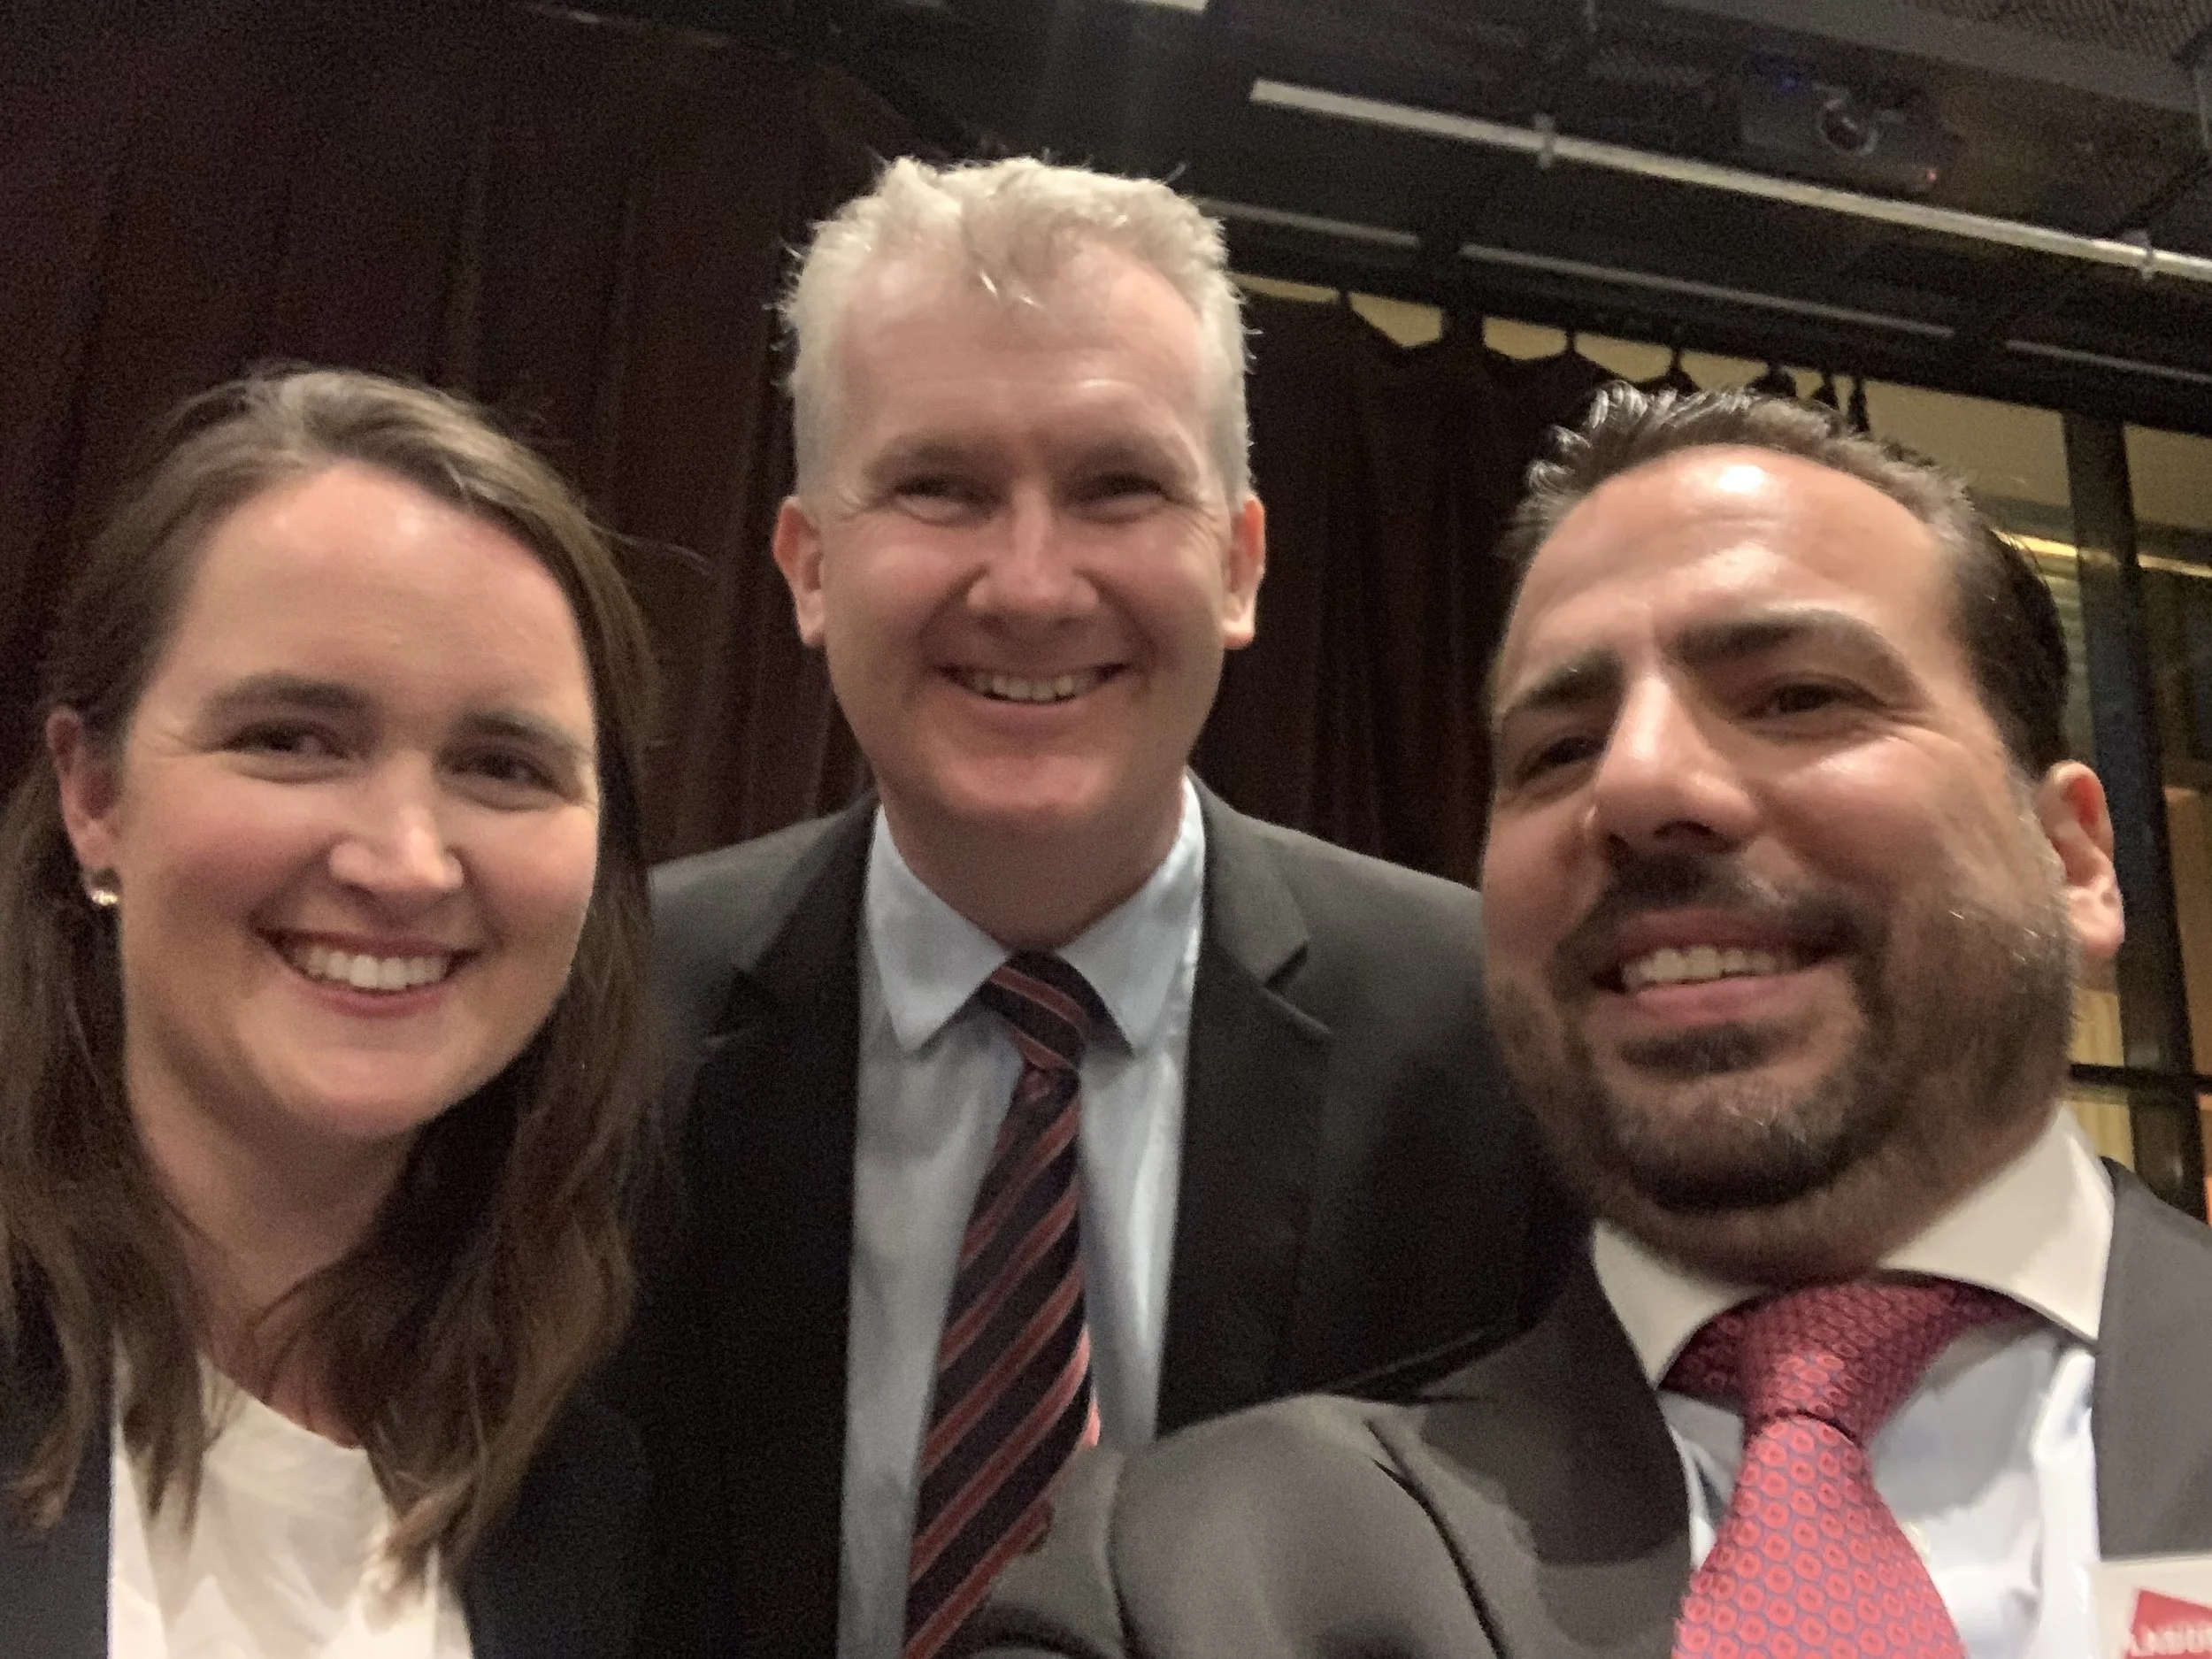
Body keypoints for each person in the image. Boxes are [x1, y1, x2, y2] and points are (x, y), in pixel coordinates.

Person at [965, 387, 2212, 1659]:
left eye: (1795, 696)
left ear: (2074, 862)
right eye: (1557, 749)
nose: (1639, 782)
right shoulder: (1183, 1585)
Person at [611, 157, 1571, 1659]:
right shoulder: (604, 1020)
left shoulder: (1498, 1035)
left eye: (1120, 485)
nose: (1034, 582)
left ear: (1240, 562)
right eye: (940, 485)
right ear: (808, 566)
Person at [0, 368, 663, 1657]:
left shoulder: (580, 1494)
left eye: (502, 765)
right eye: (293, 738)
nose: (405, 861)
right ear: (93, 792)